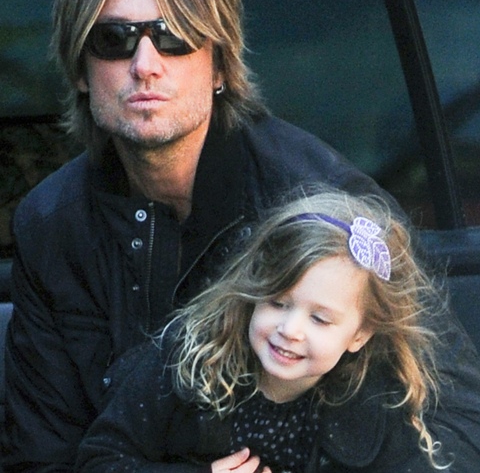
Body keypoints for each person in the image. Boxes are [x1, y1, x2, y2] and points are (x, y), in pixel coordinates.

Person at [2, 0, 480, 473]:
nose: (145, 64)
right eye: (114, 39)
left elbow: (459, 428)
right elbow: (41, 459)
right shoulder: (51, 224)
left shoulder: (327, 210)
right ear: (81, 70)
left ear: (220, 64)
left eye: (174, 34)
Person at [75, 189, 461, 472]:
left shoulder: (377, 403)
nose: (290, 329)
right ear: (253, 292)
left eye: (319, 319)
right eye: (277, 302)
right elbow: (100, 459)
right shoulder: (188, 361)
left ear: (360, 334)